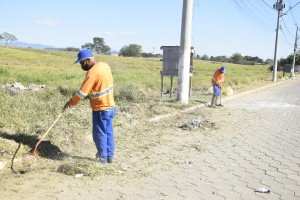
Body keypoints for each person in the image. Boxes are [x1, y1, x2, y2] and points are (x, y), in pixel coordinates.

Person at [63, 49, 116, 164]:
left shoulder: (92, 72)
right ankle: (110, 156)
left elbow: (82, 93)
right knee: (108, 131)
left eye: (82, 63)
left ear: (87, 60)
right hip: (111, 106)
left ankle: (102, 159)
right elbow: (100, 86)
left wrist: (70, 103)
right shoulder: (105, 66)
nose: (81, 66)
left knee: (99, 133)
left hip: (100, 108)